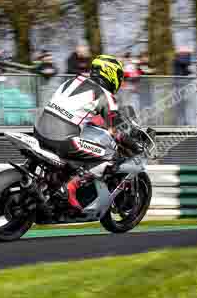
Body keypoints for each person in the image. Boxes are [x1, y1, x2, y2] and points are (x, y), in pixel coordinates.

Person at [33, 55, 145, 211]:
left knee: (78, 152)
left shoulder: (72, 81)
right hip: (63, 139)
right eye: (119, 76)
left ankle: (51, 183)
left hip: (38, 129)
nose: (120, 81)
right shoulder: (105, 95)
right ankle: (71, 187)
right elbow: (115, 131)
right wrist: (134, 145)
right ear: (111, 74)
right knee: (110, 155)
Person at [173, 46, 193, 126]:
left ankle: (184, 121)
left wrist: (190, 72)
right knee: (180, 104)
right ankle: (179, 121)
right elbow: (185, 63)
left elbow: (186, 70)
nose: (187, 56)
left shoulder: (180, 61)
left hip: (182, 84)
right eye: (185, 54)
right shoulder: (178, 60)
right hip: (179, 84)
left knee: (183, 104)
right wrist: (189, 55)